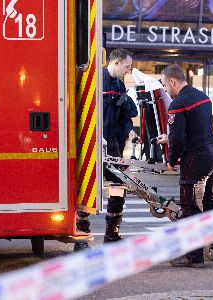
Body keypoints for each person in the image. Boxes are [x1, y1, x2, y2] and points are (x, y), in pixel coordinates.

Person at [158, 64, 213, 267]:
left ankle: (194, 256)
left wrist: (171, 160)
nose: (166, 90)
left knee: (190, 206)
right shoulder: (202, 96)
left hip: (196, 159)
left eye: (165, 85)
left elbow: (180, 138)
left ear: (172, 81)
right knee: (212, 204)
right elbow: (197, 128)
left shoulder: (178, 104)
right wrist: (170, 137)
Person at [75, 49, 135, 249]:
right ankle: (82, 236)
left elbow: (124, 115)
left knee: (118, 187)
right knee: (88, 188)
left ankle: (112, 233)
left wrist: (130, 131)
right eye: (127, 66)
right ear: (116, 63)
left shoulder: (119, 85)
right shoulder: (95, 80)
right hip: (92, 143)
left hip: (113, 144)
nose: (129, 70)